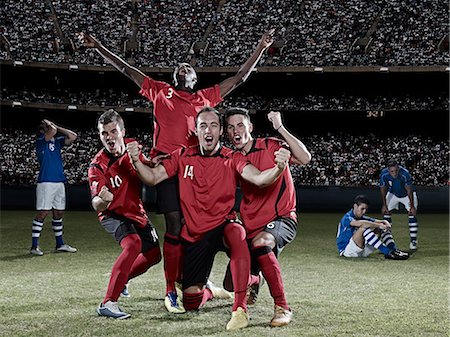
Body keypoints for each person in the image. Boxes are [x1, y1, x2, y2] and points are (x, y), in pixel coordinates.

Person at [77, 29, 275, 313]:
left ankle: (207, 278)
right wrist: (98, 46)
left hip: (196, 170)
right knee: (173, 225)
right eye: (179, 68)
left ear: (195, 80)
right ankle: (171, 290)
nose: (184, 67)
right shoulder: (159, 90)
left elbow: (240, 78)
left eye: (190, 68)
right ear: (174, 78)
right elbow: (125, 68)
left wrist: (260, 46)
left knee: (198, 228)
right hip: (167, 168)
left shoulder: (205, 100)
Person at [127, 107, 291, 330]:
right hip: (196, 233)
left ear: (220, 130)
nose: (208, 129)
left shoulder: (232, 157)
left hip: (224, 225)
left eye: (213, 125)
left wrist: (279, 168)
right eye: (203, 125)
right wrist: (136, 160)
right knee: (191, 301)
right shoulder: (183, 156)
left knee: (237, 232)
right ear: (196, 130)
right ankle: (218, 289)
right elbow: (153, 177)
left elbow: (260, 179)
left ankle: (240, 309)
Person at [223, 108, 311, 327]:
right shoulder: (234, 159)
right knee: (231, 283)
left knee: (262, 242)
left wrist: (280, 128)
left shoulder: (270, 145)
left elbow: (305, 157)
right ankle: (256, 278)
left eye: (241, 125)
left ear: (250, 127)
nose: (236, 131)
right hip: (250, 225)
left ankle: (282, 307)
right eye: (231, 127)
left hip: (281, 218)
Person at [88, 110, 162, 319]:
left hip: (136, 211)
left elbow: (147, 166)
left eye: (113, 131)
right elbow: (96, 204)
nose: (109, 137)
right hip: (113, 214)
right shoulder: (97, 166)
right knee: (133, 244)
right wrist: (104, 199)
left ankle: (123, 280)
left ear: (122, 131)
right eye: (104, 134)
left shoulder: (133, 146)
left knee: (154, 255)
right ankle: (108, 303)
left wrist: (152, 161)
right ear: (100, 136)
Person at [30, 119, 78, 256]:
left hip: (59, 181)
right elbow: (52, 131)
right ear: (41, 130)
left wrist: (56, 126)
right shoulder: (40, 141)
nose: (49, 128)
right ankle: (34, 246)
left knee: (58, 213)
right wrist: (53, 127)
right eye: (46, 127)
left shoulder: (56, 142)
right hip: (46, 182)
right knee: (43, 212)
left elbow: (73, 136)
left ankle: (60, 244)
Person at [336, 195, 409, 260]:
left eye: (365, 209)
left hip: (361, 250)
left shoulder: (360, 217)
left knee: (379, 228)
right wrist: (379, 225)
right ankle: (387, 252)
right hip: (348, 251)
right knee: (363, 228)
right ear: (355, 206)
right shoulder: (347, 218)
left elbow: (377, 221)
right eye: (362, 209)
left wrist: (384, 222)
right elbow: (363, 224)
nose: (364, 212)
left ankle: (393, 250)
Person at [380, 159, 419, 250]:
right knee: (386, 213)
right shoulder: (384, 174)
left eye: (396, 170)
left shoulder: (405, 174)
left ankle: (413, 241)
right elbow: (383, 189)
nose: (394, 173)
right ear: (388, 170)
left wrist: (412, 206)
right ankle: (387, 240)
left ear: (398, 168)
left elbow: (409, 190)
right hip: (393, 193)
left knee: (412, 214)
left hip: (406, 195)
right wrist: (384, 205)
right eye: (392, 171)